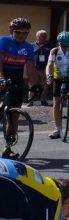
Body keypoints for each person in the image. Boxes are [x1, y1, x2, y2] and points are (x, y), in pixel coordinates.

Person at [0, 18, 36, 159]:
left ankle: (7, 147)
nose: (21, 35)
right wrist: (1, 78)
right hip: (2, 73)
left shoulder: (28, 47)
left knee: (14, 114)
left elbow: (31, 68)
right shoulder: (3, 41)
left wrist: (34, 85)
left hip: (16, 78)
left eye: (24, 33)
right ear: (11, 30)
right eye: (18, 32)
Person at [28, 30, 53, 107]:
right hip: (34, 69)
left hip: (45, 69)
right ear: (37, 37)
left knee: (45, 85)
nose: (42, 38)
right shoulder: (31, 46)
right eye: (41, 36)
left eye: (44, 36)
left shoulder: (50, 46)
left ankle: (43, 100)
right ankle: (30, 100)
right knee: (32, 85)